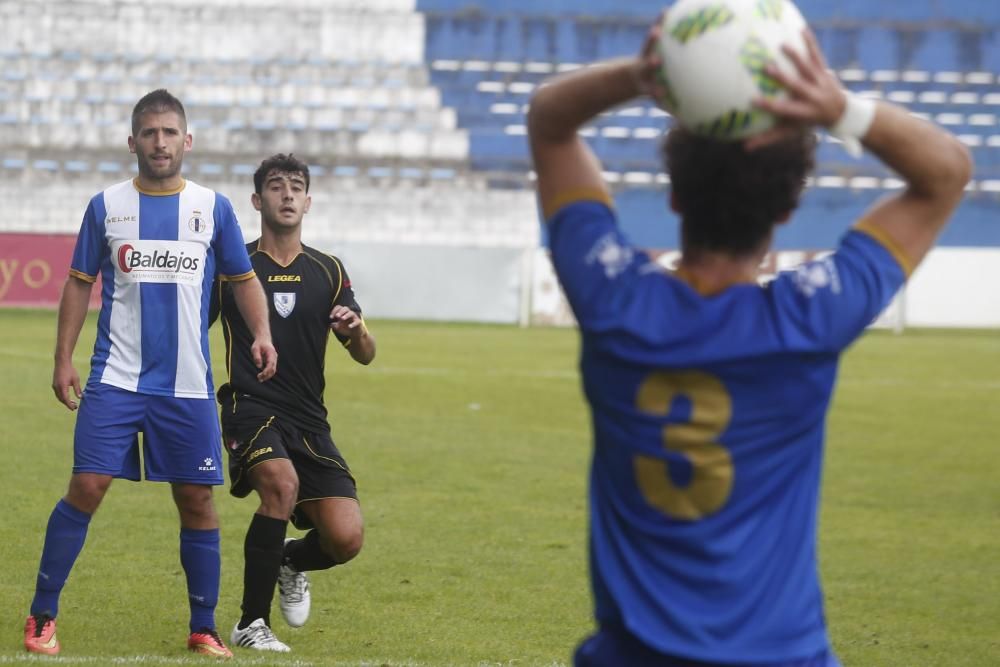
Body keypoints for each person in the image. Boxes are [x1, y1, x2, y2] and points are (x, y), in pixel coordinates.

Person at [527, 18, 971, 667]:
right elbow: (946, 173)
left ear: (673, 193)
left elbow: (548, 119)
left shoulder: (613, 299)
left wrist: (640, 74)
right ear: (788, 209)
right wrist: (840, 107)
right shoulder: (811, 319)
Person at [25, 89, 277, 659]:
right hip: (115, 378)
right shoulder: (106, 206)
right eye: (149, 133)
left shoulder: (213, 208)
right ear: (132, 141)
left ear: (187, 141)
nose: (159, 142)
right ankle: (42, 615)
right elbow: (79, 282)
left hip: (186, 386)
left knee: (196, 500)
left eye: (169, 133)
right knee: (87, 486)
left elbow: (242, 279)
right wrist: (62, 357)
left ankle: (203, 627)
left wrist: (262, 334)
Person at [210, 153, 374, 652]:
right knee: (281, 484)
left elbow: (365, 354)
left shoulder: (328, 268)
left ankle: (289, 559)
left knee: (346, 539)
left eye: (295, 187)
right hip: (250, 405)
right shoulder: (235, 266)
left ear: (308, 201)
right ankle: (250, 623)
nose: (286, 194)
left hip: (309, 419)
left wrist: (356, 329)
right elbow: (194, 331)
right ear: (258, 201)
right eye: (276, 187)